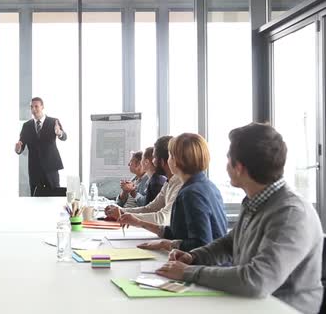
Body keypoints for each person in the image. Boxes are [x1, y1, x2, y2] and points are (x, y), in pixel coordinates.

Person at [155, 123, 323, 313]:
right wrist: (193, 256)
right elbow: (230, 242)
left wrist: (187, 272)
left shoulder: (291, 214)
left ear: (239, 167)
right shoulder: (255, 201)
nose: (225, 165)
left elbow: (256, 280)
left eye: (228, 159)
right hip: (249, 303)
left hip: (280, 308)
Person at [119, 133, 227, 252]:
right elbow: (178, 232)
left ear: (176, 160)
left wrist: (166, 244)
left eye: (169, 155)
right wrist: (139, 222)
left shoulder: (191, 193)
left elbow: (200, 244)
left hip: (202, 266)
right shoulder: (205, 185)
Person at [104, 136, 183, 225]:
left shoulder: (179, 184)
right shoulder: (169, 182)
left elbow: (162, 218)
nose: (153, 162)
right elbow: (149, 208)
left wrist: (127, 216)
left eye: (154, 157)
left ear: (162, 161)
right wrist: (121, 211)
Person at [15, 97, 67, 195]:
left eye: (36, 106)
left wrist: (59, 133)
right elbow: (21, 145)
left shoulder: (53, 122)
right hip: (35, 169)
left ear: (42, 107)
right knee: (35, 197)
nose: (33, 109)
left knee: (55, 196)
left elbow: (64, 137)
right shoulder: (26, 126)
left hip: (51, 167)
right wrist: (18, 149)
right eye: (31, 107)